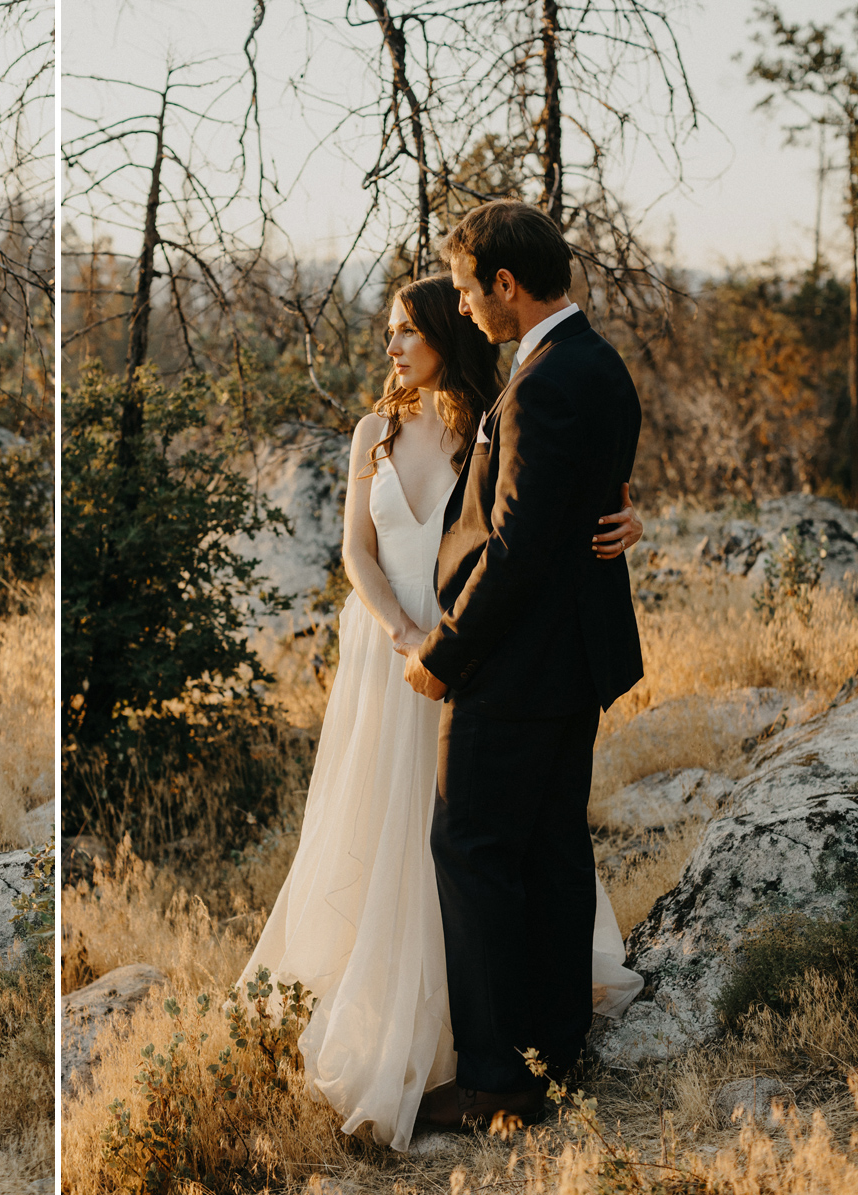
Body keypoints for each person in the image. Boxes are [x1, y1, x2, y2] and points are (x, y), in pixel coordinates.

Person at [238, 271, 643, 1152]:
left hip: (475, 651)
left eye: (404, 331)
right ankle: (400, 1009)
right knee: (392, 824)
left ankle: (483, 1039)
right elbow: (356, 546)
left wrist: (625, 518)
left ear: (443, 335)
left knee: (467, 838)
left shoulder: (493, 417)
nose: (390, 347)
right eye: (389, 332)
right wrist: (400, 630)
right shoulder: (372, 431)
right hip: (392, 651)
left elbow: (538, 516)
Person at [406, 201, 646, 1131]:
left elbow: (517, 543)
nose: (463, 308)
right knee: (547, 850)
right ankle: (553, 1056)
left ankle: (497, 1078)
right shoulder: (599, 362)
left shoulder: (545, 378)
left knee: (471, 851)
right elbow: (593, 498)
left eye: (468, 290)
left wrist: (445, 652)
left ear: (506, 285)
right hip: (571, 664)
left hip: (513, 663)